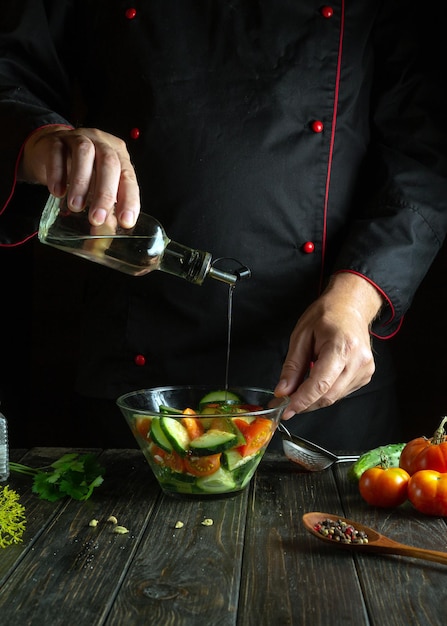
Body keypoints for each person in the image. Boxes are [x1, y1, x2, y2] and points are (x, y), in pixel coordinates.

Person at [1, 1, 446, 450]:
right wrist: (43, 139)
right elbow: (8, 65)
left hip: (325, 386)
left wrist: (358, 296)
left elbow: (425, 154)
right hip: (133, 383)